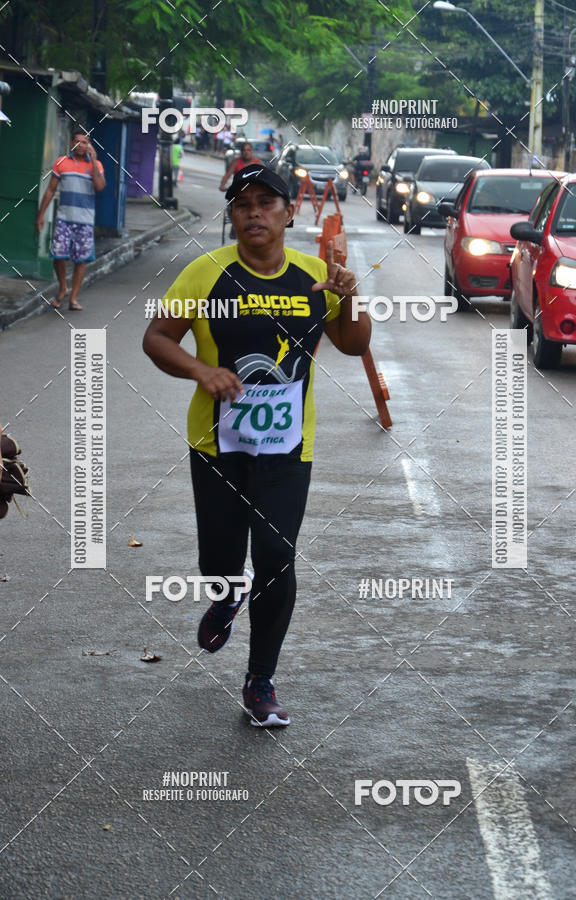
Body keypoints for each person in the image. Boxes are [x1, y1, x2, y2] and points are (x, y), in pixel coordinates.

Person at [142, 165, 371, 727]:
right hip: (216, 446)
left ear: (289, 212)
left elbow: (352, 344)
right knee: (220, 560)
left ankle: (260, 679)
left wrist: (352, 298)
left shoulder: (317, 276)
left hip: (288, 449)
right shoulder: (206, 274)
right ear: (232, 215)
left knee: (275, 555)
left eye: (266, 202)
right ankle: (225, 595)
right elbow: (156, 337)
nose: (254, 213)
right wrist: (201, 371)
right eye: (242, 204)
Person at [36, 129, 106, 311]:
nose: (81, 145)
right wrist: (41, 214)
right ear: (71, 143)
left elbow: (100, 186)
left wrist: (94, 160)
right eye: (77, 141)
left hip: (85, 221)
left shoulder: (96, 165)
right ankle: (62, 288)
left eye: (85, 142)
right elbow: (50, 190)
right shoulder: (61, 162)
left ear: (89, 145)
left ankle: (73, 298)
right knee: (58, 256)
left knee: (81, 260)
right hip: (64, 219)